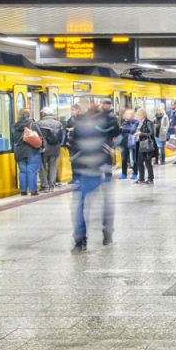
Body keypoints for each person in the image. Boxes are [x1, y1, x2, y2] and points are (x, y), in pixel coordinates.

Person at [69, 106, 115, 251]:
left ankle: (80, 241)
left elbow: (73, 150)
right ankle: (107, 232)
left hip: (83, 173)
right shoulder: (105, 128)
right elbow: (110, 149)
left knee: (79, 207)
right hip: (101, 172)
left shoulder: (78, 128)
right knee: (107, 204)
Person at [11, 108, 43, 196]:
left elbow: (13, 139)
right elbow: (40, 136)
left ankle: (23, 191)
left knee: (23, 171)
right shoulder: (32, 124)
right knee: (32, 170)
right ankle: (33, 190)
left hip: (19, 151)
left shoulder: (14, 125)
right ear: (28, 115)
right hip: (31, 150)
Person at [37, 106, 65, 191]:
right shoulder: (59, 123)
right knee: (53, 166)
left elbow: (38, 137)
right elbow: (62, 137)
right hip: (56, 148)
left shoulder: (40, 123)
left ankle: (44, 186)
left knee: (42, 167)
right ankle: (51, 186)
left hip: (44, 149)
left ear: (44, 114)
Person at [133, 108, 156, 184]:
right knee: (139, 162)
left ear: (142, 115)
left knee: (147, 162)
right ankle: (141, 178)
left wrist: (141, 133)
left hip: (147, 145)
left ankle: (150, 178)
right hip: (140, 144)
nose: (137, 116)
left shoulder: (148, 122)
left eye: (138, 115)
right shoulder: (140, 122)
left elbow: (151, 134)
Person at [119, 109, 139, 180]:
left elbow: (132, 130)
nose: (127, 115)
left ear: (132, 115)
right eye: (126, 114)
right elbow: (121, 131)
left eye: (129, 114)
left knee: (134, 158)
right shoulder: (124, 122)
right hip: (124, 142)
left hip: (132, 142)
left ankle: (135, 173)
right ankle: (124, 173)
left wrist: (124, 129)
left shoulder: (136, 121)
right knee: (124, 158)